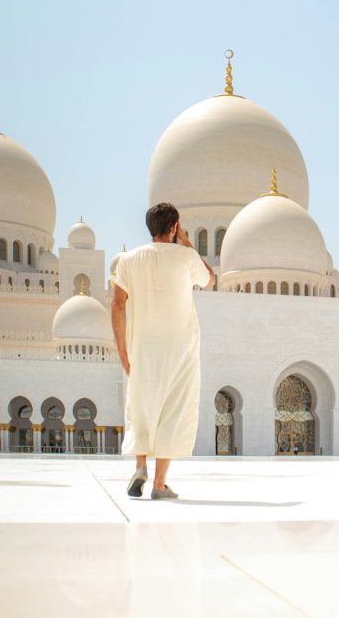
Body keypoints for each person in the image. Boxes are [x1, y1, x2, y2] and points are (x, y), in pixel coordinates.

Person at [111, 202, 214, 500]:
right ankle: (159, 484)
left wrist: (122, 351)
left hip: (141, 348)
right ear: (174, 227)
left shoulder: (128, 260)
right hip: (180, 348)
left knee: (141, 407)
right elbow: (210, 280)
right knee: (174, 409)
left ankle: (140, 466)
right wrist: (188, 245)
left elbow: (117, 303)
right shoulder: (185, 257)